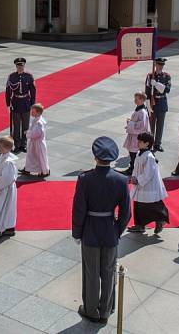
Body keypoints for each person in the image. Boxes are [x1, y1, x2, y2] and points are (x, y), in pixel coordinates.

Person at [72, 137, 131, 324]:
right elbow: (126, 212)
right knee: (108, 272)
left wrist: (77, 232)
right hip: (109, 230)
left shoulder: (85, 178)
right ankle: (105, 309)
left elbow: (79, 209)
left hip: (90, 230)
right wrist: (117, 230)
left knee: (91, 273)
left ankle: (91, 309)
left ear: (95, 157)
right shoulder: (121, 180)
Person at [127, 132, 169, 234]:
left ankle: (160, 219)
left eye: (140, 142)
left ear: (147, 144)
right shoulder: (139, 153)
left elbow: (148, 173)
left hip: (148, 185)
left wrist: (138, 180)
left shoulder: (149, 156)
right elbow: (136, 167)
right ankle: (140, 225)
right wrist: (133, 176)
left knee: (152, 204)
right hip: (140, 184)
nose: (138, 143)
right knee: (138, 204)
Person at [5, 57, 36, 153]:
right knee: (16, 126)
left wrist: (32, 104)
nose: (20, 67)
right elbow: (8, 91)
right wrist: (8, 104)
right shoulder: (11, 77)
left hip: (26, 102)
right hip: (16, 102)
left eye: (21, 65)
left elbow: (33, 91)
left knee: (26, 126)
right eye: (18, 66)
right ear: (16, 66)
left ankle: (24, 144)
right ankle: (17, 144)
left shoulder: (29, 76)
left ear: (24, 65)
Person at [120, 92, 150, 176]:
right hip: (133, 135)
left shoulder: (142, 112)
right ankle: (132, 168)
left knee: (134, 154)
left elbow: (141, 126)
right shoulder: (138, 109)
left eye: (136, 99)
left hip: (136, 137)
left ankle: (133, 169)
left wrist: (130, 123)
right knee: (131, 153)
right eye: (135, 99)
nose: (135, 101)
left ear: (142, 100)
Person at [145, 58, 171, 152]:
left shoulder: (166, 76)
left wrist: (156, 84)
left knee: (160, 125)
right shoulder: (150, 75)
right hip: (153, 102)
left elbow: (167, 89)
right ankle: (150, 143)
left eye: (162, 65)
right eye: (159, 65)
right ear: (155, 65)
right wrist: (148, 104)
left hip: (162, 102)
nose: (160, 66)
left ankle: (157, 144)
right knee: (151, 125)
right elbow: (147, 91)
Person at [21, 103, 49, 177]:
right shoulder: (36, 119)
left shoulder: (39, 122)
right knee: (31, 156)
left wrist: (28, 133)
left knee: (40, 157)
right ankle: (27, 169)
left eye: (33, 112)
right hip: (34, 143)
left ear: (38, 112)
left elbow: (37, 133)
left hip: (38, 144)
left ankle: (44, 171)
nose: (31, 113)